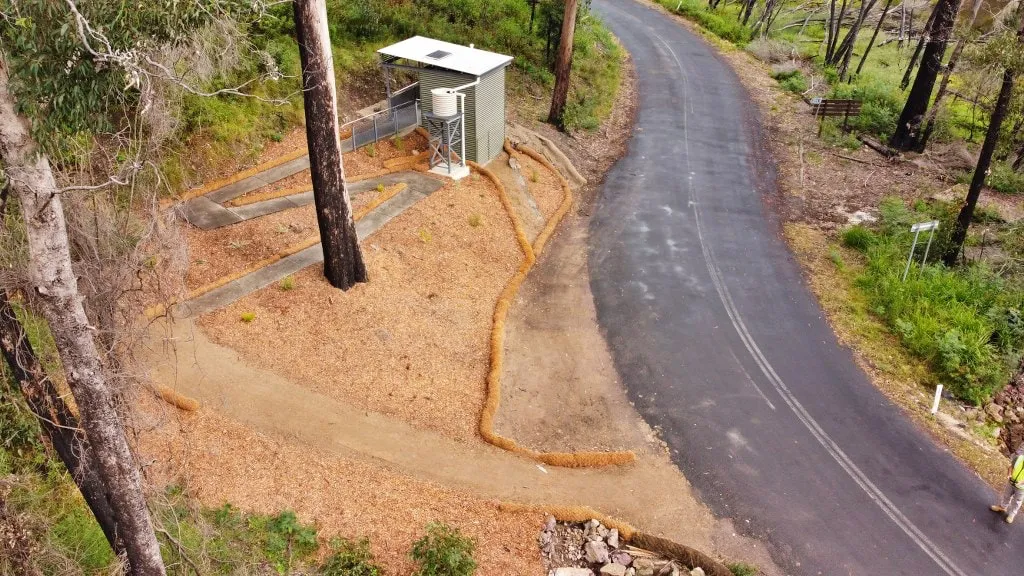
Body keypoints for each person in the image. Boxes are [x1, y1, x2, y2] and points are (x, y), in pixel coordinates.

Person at [992, 444, 1024, 524]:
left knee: (1017, 501)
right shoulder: (1019, 458)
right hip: (1011, 482)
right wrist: (1009, 475)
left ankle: (1012, 514)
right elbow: (1011, 467)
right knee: (1006, 495)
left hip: (1021, 487)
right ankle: (1002, 507)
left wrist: (1022, 482)